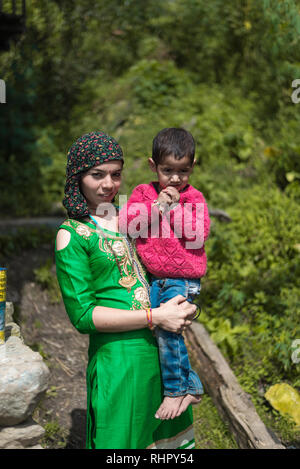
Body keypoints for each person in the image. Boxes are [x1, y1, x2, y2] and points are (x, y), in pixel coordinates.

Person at [55, 131, 197, 449]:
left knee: (168, 445)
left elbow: (168, 265)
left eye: (116, 174)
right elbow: (84, 316)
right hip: (120, 360)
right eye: (97, 175)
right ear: (78, 176)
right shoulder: (73, 234)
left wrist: (186, 305)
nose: (108, 185)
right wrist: (156, 316)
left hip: (162, 354)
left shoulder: (127, 217)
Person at [119, 128, 210, 421]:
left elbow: (198, 233)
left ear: (192, 167)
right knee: (155, 330)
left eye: (182, 171)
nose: (174, 178)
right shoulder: (143, 193)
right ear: (152, 166)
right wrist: (158, 205)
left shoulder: (194, 197)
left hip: (183, 278)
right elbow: (128, 225)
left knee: (168, 329)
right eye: (167, 170)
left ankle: (175, 390)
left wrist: (172, 208)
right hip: (154, 278)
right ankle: (192, 384)